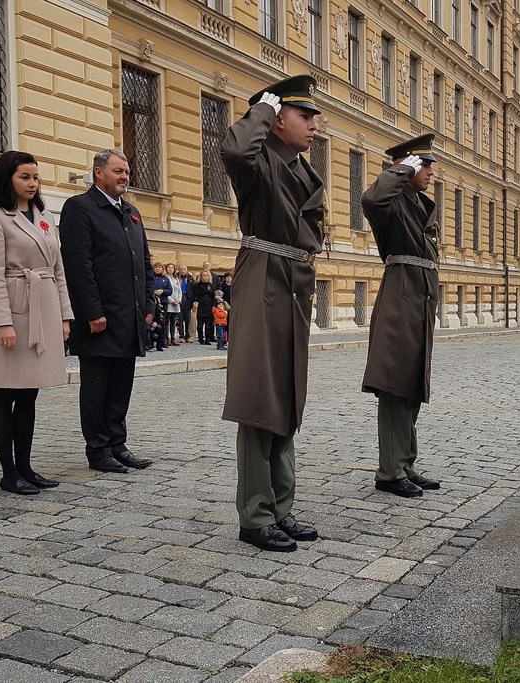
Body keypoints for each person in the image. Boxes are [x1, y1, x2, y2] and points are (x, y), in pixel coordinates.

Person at [220, 74, 324, 553]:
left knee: (285, 394)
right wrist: (260, 109)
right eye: (305, 115)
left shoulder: (300, 167)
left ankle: (281, 507)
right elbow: (236, 151)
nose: (314, 126)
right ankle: (255, 515)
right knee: (260, 397)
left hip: (293, 282)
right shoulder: (258, 159)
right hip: (264, 275)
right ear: (278, 119)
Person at [0, 150, 74, 495]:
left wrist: (64, 315)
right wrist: (2, 322)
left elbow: (59, 269)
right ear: (7, 178)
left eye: (35, 177)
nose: (32, 183)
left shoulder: (43, 215)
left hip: (43, 309)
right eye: (24, 177)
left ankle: (26, 466)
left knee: (30, 393)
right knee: (6, 391)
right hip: (15, 313)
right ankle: (8, 472)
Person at [59, 149, 155, 474]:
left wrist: (149, 307)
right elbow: (78, 265)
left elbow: (144, 264)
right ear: (98, 173)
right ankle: (98, 449)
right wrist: (91, 311)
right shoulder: (80, 208)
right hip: (99, 320)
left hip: (130, 318)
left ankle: (117, 443)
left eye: (127, 172)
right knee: (97, 387)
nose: (124, 177)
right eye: (118, 171)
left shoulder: (132, 213)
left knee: (120, 385)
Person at [361, 134, 442, 498]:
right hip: (401, 297)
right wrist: (401, 168)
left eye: (426, 165)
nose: (429, 172)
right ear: (406, 166)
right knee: (394, 386)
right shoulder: (391, 202)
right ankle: (390, 471)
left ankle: (405, 463)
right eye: (423, 164)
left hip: (419, 298)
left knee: (410, 385)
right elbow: (371, 198)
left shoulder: (419, 204)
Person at [151, 262, 171, 351]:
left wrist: (163, 291)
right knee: (152, 322)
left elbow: (170, 290)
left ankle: (162, 342)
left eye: (159, 267)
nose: (157, 269)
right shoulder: (151, 278)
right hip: (152, 302)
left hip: (163, 302)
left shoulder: (165, 279)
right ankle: (150, 342)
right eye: (156, 267)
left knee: (163, 322)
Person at [192, 271, 215, 345]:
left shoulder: (211, 285)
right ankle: (201, 338)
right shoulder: (197, 285)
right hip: (201, 305)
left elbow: (213, 295)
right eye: (204, 275)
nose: (206, 277)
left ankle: (207, 339)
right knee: (200, 324)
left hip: (209, 305)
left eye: (207, 275)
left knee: (208, 324)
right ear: (201, 277)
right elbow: (196, 294)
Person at [165, 263, 182, 345]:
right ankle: (167, 338)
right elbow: (166, 291)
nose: (171, 269)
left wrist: (178, 300)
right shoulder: (165, 278)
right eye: (169, 267)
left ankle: (173, 338)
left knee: (173, 322)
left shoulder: (176, 279)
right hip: (169, 303)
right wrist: (171, 301)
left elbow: (179, 291)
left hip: (176, 303)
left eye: (172, 268)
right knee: (167, 322)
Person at [177, 264, 195, 342]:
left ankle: (188, 335)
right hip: (179, 298)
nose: (183, 271)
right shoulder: (176, 277)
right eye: (181, 269)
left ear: (186, 269)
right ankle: (181, 335)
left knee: (188, 318)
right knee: (180, 318)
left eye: (184, 269)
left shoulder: (190, 278)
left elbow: (194, 289)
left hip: (187, 299)